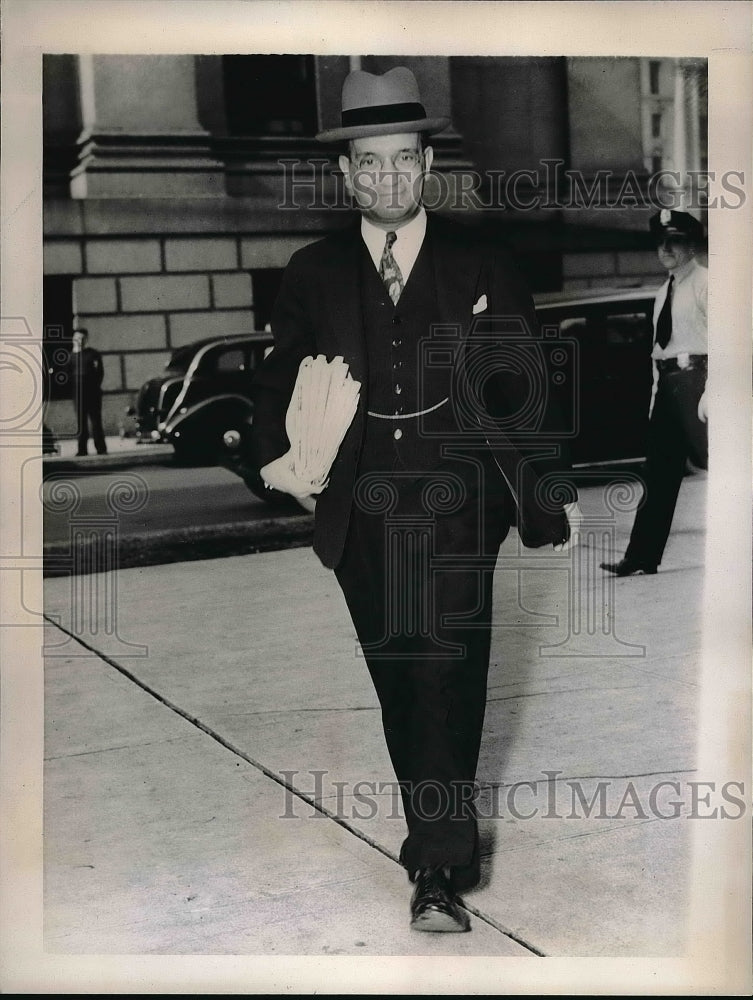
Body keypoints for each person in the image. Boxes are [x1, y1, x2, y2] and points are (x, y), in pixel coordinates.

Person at [250, 67, 579, 932]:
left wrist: (543, 496)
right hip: (360, 516)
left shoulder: (482, 263)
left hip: (460, 508)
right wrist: (275, 461)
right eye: (370, 161)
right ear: (347, 174)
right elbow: (276, 383)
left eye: (403, 159)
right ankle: (437, 833)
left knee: (447, 672)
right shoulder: (312, 273)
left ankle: (438, 866)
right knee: (400, 679)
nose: (387, 177)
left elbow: (525, 390)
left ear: (426, 164)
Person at [601, 209, 707, 577]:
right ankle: (641, 556)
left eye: (674, 241)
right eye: (661, 243)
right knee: (658, 474)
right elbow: (656, 352)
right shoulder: (664, 291)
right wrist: (654, 398)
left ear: (690, 245)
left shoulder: (708, 284)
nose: (665, 249)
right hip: (668, 388)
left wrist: (713, 394)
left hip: (700, 384)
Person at [70, 327, 107, 456]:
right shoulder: (71, 356)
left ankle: (101, 448)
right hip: (78, 395)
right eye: (76, 339)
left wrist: (94, 386)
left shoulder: (93, 354)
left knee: (96, 421)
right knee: (81, 424)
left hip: (93, 393)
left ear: (86, 339)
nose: (79, 341)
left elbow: (100, 373)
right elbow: (67, 374)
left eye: (81, 338)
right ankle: (82, 449)